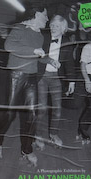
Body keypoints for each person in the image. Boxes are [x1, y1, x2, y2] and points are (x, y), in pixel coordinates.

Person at [0, 7, 48, 167]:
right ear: (35, 14)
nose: (47, 19)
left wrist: (49, 60)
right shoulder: (19, 28)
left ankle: (27, 149)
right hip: (15, 76)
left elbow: (38, 56)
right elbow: (9, 46)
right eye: (45, 15)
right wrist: (33, 50)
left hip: (31, 77)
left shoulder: (39, 36)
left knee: (32, 114)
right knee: (9, 114)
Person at [35, 15, 75, 149]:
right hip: (42, 76)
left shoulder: (67, 41)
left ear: (63, 28)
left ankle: (53, 133)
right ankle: (38, 135)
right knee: (42, 109)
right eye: (52, 25)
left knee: (57, 109)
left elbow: (69, 63)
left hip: (56, 78)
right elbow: (37, 56)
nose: (53, 28)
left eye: (56, 26)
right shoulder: (43, 37)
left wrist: (72, 82)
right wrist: (50, 60)